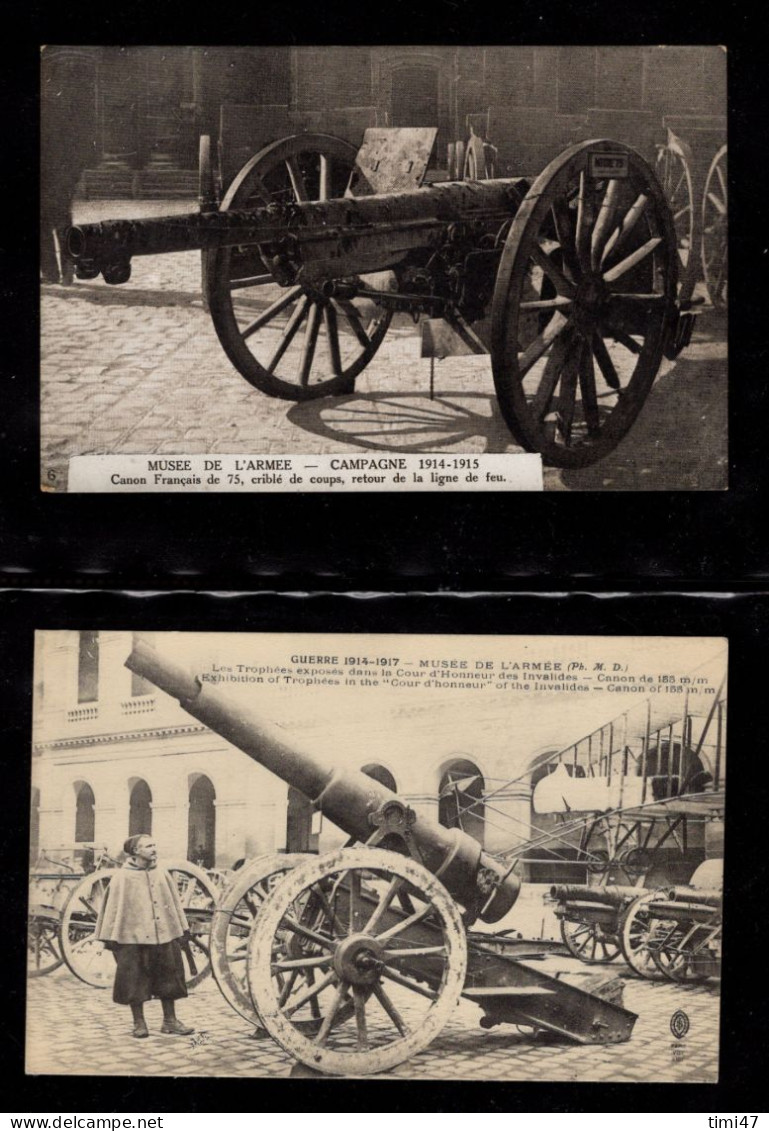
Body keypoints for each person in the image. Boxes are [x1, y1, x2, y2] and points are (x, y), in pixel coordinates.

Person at [96, 834, 195, 1039]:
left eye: (154, 844)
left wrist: (181, 928)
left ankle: (170, 1021)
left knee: (169, 975)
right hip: (133, 938)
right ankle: (139, 1023)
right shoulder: (122, 878)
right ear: (135, 851)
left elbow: (174, 904)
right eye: (148, 846)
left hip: (164, 935)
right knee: (134, 979)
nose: (154, 849)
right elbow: (113, 909)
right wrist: (111, 937)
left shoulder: (162, 874)